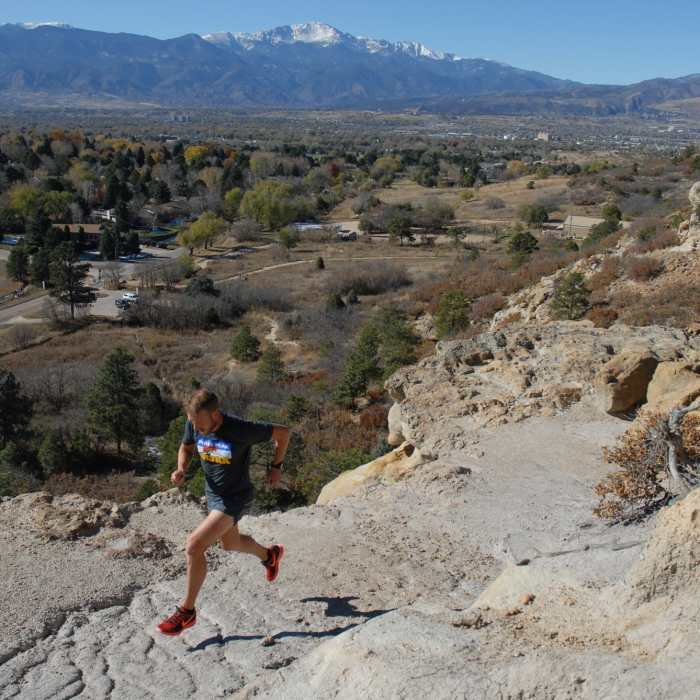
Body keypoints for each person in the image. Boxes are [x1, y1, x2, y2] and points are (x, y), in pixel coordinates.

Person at [157, 388, 290, 636]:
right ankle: (270, 556)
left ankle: (187, 613)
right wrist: (181, 469)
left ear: (215, 415)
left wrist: (276, 466)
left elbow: (283, 433)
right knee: (231, 544)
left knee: (194, 545)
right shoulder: (194, 422)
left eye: (200, 424)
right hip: (213, 495)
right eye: (193, 423)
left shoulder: (240, 429)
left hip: (235, 498)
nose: (196, 428)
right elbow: (185, 447)